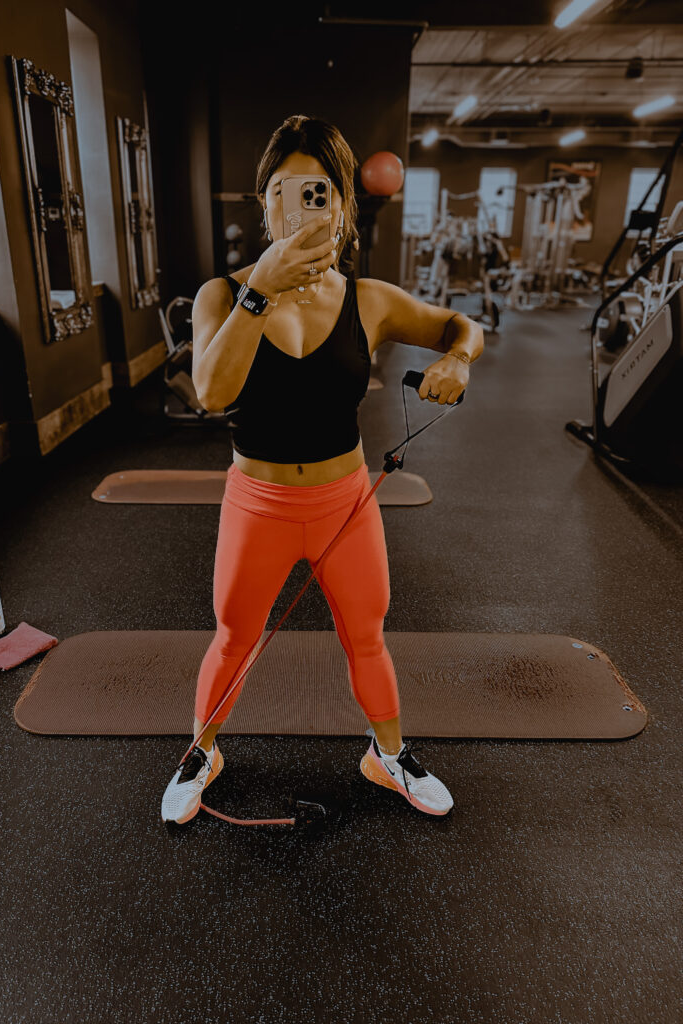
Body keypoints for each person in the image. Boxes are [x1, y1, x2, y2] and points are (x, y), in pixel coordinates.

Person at [162, 115, 483, 825]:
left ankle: (387, 755)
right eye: (284, 190)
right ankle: (201, 752)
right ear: (265, 202)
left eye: (319, 191)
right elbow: (212, 392)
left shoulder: (369, 300)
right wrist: (261, 291)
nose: (300, 205)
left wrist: (458, 358)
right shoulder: (222, 295)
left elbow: (465, 326)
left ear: (341, 204)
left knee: (366, 635)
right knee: (233, 636)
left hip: (345, 498)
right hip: (258, 503)